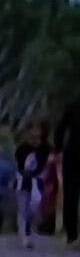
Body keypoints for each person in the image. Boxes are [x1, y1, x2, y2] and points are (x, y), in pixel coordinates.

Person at [14, 120, 55, 249]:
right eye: (32, 129)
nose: (35, 133)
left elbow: (48, 165)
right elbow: (19, 166)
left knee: (35, 205)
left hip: (39, 180)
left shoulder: (46, 148)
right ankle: (24, 236)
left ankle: (31, 229)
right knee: (22, 208)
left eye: (38, 129)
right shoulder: (22, 148)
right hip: (24, 179)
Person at [57, 95, 80, 248]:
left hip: (72, 154)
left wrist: (58, 148)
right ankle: (71, 234)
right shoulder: (74, 105)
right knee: (70, 195)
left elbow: (61, 128)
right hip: (72, 155)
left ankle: (71, 235)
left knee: (71, 195)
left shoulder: (74, 104)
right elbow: (61, 128)